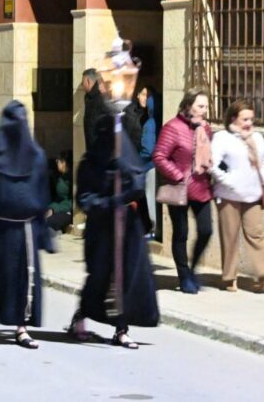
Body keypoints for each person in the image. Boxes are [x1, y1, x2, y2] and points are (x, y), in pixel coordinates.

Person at [0, 101, 53, 349]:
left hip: (25, 229)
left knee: (24, 278)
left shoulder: (34, 154)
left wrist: (44, 233)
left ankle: (21, 326)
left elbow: (41, 193)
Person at [68, 115, 159, 350]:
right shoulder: (90, 163)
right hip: (101, 230)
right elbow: (85, 199)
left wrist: (129, 191)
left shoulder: (127, 159)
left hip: (127, 229)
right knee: (99, 278)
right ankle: (82, 315)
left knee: (126, 278)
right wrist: (111, 201)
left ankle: (122, 328)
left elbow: (137, 184)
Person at [153, 87, 214, 294]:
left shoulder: (205, 128)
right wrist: (178, 176)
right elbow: (159, 156)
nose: (204, 110)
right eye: (200, 106)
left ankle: (193, 269)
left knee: (206, 230)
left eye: (206, 106)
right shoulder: (172, 127)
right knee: (181, 233)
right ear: (188, 105)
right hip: (179, 188)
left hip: (201, 187)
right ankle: (184, 274)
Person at [210, 99, 264, 293]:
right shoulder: (222, 137)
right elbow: (212, 164)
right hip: (229, 195)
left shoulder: (257, 138)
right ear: (233, 118)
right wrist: (229, 180)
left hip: (253, 194)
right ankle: (229, 278)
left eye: (251, 119)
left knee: (256, 234)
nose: (248, 123)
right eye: (244, 119)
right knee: (230, 237)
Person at [124, 87, 158, 238]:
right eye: (143, 94)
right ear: (137, 95)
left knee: (148, 197)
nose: (145, 98)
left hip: (145, 163)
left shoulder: (151, 122)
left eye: (148, 95)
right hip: (136, 163)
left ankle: (151, 228)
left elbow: (147, 146)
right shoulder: (131, 113)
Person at [45, 152, 74, 233]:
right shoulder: (61, 177)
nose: (56, 162)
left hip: (68, 212)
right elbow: (59, 198)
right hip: (59, 208)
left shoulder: (71, 179)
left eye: (58, 161)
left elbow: (72, 202)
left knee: (48, 223)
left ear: (64, 163)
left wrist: (54, 209)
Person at [82, 69, 107, 151]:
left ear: (88, 81)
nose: (82, 85)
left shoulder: (101, 97)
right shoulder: (88, 97)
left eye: (83, 82)